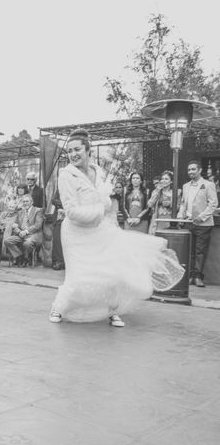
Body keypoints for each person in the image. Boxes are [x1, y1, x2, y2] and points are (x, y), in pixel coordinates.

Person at [48, 129, 184, 327]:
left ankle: (113, 310)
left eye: (77, 149)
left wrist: (107, 214)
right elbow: (71, 211)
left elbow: (107, 201)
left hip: (101, 230)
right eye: (69, 151)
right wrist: (100, 209)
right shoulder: (66, 175)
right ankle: (58, 307)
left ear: (88, 150)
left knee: (111, 271)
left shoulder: (98, 171)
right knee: (79, 276)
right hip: (76, 233)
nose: (73, 154)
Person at [178, 160, 218, 288]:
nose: (191, 172)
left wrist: (201, 217)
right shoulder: (185, 186)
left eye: (193, 169)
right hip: (189, 223)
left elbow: (213, 204)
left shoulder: (209, 184)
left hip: (203, 224)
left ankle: (198, 276)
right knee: (190, 251)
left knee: (200, 251)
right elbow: (183, 203)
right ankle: (190, 276)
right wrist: (180, 216)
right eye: (189, 170)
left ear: (200, 170)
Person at [3, 194, 43, 267]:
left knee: (27, 243)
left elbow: (37, 225)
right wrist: (19, 231)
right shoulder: (20, 212)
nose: (25, 203)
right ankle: (19, 256)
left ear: (32, 202)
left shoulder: (38, 211)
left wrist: (26, 231)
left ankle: (26, 258)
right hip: (21, 234)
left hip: (33, 235)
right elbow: (16, 224)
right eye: (24, 201)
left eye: (27, 201)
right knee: (7, 241)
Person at [148, 170, 179, 235]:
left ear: (171, 181)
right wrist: (157, 191)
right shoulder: (156, 191)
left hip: (170, 220)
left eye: (166, 179)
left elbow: (179, 207)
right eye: (162, 179)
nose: (164, 180)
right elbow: (150, 204)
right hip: (157, 220)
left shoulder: (176, 192)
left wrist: (170, 204)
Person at [50, 189, 65, 270]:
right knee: (57, 239)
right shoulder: (60, 187)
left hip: (70, 217)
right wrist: (63, 205)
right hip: (58, 218)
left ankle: (65, 262)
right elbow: (53, 200)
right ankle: (58, 262)